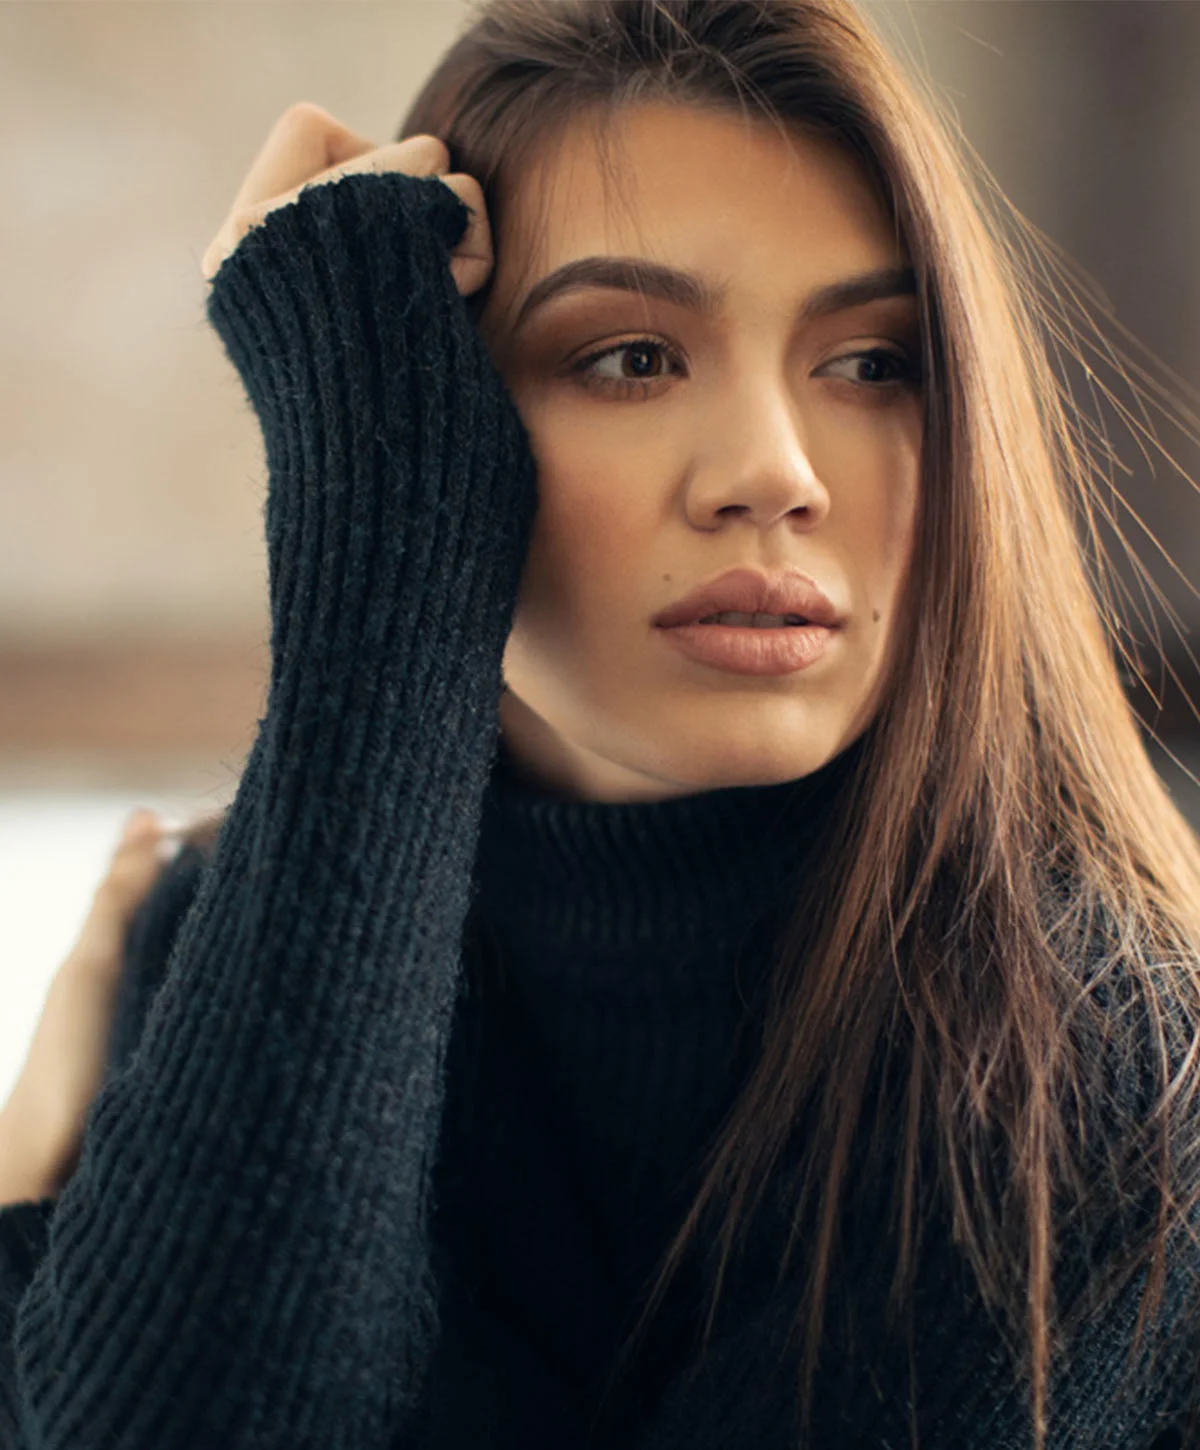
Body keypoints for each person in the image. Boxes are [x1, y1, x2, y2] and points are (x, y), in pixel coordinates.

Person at [1, 1, 1198, 1445]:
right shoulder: (217, 948)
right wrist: (377, 524)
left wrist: (29, 1249)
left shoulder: (1113, 1048)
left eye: (876, 361)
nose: (772, 472)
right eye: (629, 357)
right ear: (443, 410)